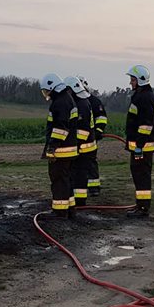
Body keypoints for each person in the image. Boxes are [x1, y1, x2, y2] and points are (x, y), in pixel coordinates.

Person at [40, 73, 79, 218]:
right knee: (65, 179)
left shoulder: (60, 102)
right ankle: (70, 209)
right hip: (68, 149)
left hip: (61, 150)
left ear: (52, 87)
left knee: (58, 180)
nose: (46, 94)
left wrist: (52, 147)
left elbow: (60, 128)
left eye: (46, 90)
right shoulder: (66, 98)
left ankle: (60, 212)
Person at [125, 65, 154, 218]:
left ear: (140, 80)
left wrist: (139, 146)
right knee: (138, 175)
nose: (131, 83)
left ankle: (143, 208)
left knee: (142, 176)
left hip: (142, 147)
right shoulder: (144, 95)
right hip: (141, 146)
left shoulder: (144, 98)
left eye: (132, 79)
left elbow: (145, 126)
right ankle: (140, 205)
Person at [64, 76, 96, 209]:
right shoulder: (80, 101)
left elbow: (82, 131)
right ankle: (79, 201)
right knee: (78, 174)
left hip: (83, 148)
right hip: (84, 147)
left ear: (71, 90)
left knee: (80, 175)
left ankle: (80, 202)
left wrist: (74, 145)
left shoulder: (81, 105)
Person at [78, 75, 107, 195]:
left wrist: (99, 131)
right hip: (79, 139)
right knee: (79, 164)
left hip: (90, 138)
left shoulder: (94, 101)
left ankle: (94, 187)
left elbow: (101, 117)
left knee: (90, 163)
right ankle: (80, 186)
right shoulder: (75, 101)